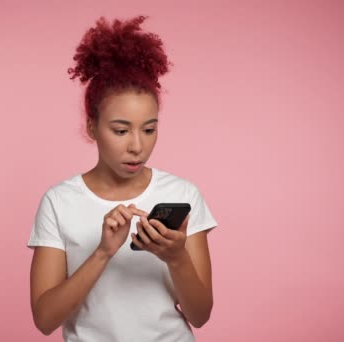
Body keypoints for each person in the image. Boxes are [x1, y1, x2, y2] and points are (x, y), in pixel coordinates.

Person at [28, 15, 218, 342]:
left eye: (149, 129)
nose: (137, 146)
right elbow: (45, 320)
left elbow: (200, 315)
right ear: (92, 127)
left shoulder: (183, 194)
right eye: (120, 130)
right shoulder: (59, 202)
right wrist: (103, 252)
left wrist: (177, 257)